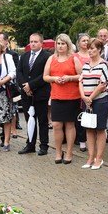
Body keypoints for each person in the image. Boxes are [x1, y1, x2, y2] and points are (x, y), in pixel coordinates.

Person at [43, 33, 82, 164]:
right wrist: (54, 79)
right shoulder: (51, 58)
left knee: (70, 124)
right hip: (56, 96)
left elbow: (81, 75)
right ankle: (58, 152)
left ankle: (69, 152)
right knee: (56, 125)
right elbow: (45, 76)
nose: (60, 46)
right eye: (58, 43)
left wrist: (69, 78)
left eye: (63, 44)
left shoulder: (74, 58)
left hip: (72, 96)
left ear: (68, 45)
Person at [17, 33, 52, 156]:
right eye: (31, 41)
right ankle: (30, 144)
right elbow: (19, 72)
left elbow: (45, 75)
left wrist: (31, 85)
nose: (33, 44)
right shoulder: (24, 56)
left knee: (42, 120)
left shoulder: (47, 57)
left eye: (35, 42)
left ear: (41, 43)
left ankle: (44, 145)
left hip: (40, 93)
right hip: (26, 94)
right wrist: (25, 86)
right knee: (29, 120)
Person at [79, 39, 108, 170]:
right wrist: (83, 96)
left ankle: (99, 158)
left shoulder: (104, 64)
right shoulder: (85, 65)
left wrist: (90, 98)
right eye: (89, 48)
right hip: (87, 101)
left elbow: (103, 84)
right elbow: (80, 81)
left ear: (99, 50)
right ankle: (90, 157)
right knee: (89, 128)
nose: (90, 51)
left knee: (100, 129)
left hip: (99, 101)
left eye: (93, 48)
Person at [74, 33, 91, 152]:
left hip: (92, 90)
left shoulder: (93, 54)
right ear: (79, 43)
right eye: (83, 40)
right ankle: (81, 141)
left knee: (91, 115)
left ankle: (92, 139)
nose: (85, 42)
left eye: (87, 40)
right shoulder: (74, 56)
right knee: (80, 116)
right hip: (78, 90)